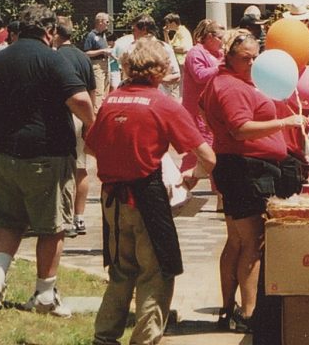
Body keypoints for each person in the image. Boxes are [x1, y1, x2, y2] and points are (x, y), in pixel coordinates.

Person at [87, 37, 216, 345]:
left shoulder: (111, 101)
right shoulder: (163, 104)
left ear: (128, 67)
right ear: (160, 70)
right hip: (147, 195)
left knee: (121, 270)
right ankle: (144, 340)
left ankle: (104, 337)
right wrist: (192, 176)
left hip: (112, 198)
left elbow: (91, 147)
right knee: (156, 271)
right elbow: (208, 157)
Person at [0, 5, 95, 316]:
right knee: (51, 226)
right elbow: (80, 99)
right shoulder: (52, 59)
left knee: (7, 221)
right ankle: (44, 294)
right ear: (50, 31)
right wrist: (92, 124)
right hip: (45, 153)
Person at [200, 29, 306, 333]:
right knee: (252, 243)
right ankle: (248, 313)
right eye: (245, 58)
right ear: (229, 56)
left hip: (239, 166)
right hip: (246, 169)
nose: (252, 63)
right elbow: (240, 128)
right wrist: (284, 122)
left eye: (255, 58)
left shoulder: (228, 82)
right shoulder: (230, 86)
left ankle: (228, 309)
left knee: (236, 240)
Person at [54, 16, 98, 238]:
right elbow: (92, 90)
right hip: (82, 115)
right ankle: (79, 217)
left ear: (55, 33)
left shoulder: (54, 57)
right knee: (81, 168)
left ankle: (63, 217)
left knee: (60, 170)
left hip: (60, 116)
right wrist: (91, 120)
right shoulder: (83, 57)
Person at [181, 19, 224, 171]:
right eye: (220, 38)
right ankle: (185, 180)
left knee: (209, 152)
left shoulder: (219, 54)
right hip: (197, 111)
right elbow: (199, 75)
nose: (223, 41)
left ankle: (211, 182)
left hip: (212, 110)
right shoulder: (195, 53)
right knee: (200, 152)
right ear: (210, 37)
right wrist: (221, 67)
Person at [82, 12, 113, 105]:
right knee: (98, 93)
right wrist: (102, 51)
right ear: (100, 22)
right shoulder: (91, 35)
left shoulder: (103, 35)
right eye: (107, 22)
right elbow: (87, 53)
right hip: (97, 66)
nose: (108, 24)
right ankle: (96, 112)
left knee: (105, 92)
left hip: (106, 64)